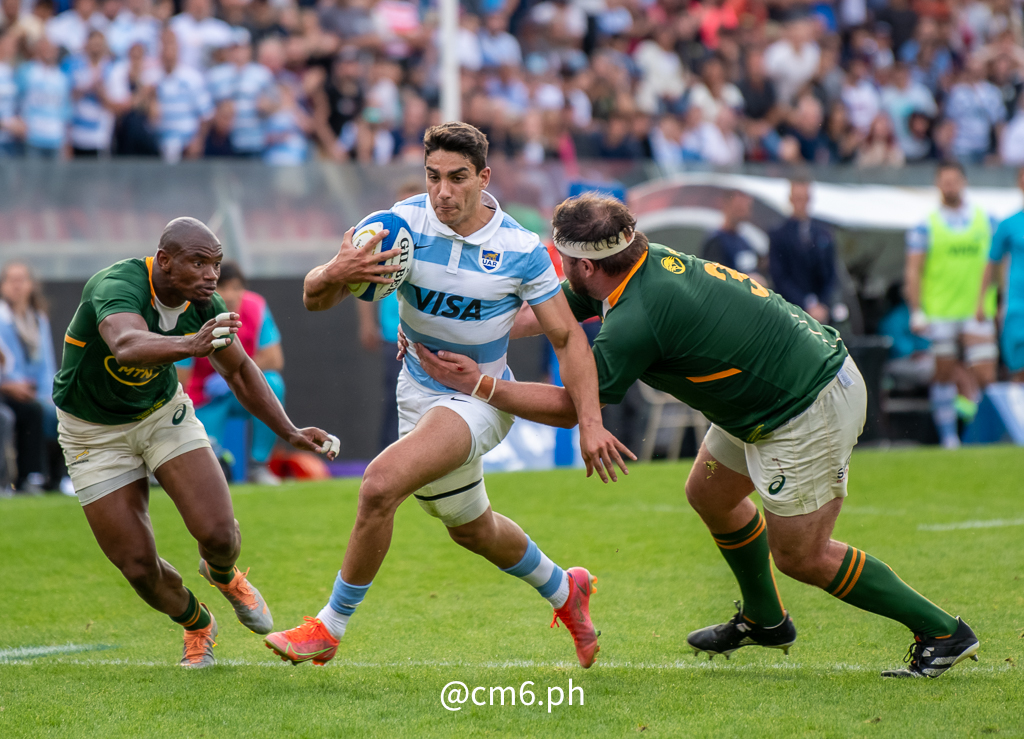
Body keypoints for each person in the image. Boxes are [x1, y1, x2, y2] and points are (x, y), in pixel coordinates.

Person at [414, 193, 980, 680]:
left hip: (806, 403)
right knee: (709, 494)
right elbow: (548, 313)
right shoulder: (629, 267)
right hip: (773, 392)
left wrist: (481, 383)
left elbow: (574, 407)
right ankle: (765, 621)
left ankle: (944, 631)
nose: (559, 270)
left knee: (802, 555)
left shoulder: (640, 313)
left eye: (561, 260)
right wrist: (454, 326)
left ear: (583, 264)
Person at [264, 122, 631, 670]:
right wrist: (335, 270)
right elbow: (315, 298)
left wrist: (590, 420)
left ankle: (329, 627)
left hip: (480, 399)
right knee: (472, 529)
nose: (443, 192)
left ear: (483, 178)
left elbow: (567, 338)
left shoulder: (521, 250)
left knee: (379, 486)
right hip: (415, 391)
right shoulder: (397, 225)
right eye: (433, 177)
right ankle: (565, 589)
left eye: (458, 179)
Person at [51, 217, 341, 668]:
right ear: (164, 261)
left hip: (163, 413)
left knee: (220, 534)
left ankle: (223, 574)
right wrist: (191, 343)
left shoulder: (204, 302)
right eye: (199, 262)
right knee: (138, 567)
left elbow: (241, 370)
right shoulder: (117, 284)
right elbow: (125, 344)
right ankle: (197, 623)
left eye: (216, 264)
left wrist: (290, 431)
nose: (211, 275)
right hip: (93, 433)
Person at [905, 162, 998, 448]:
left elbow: (998, 265)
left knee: (985, 375)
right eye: (944, 181)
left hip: (977, 309)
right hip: (940, 311)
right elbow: (913, 270)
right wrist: (916, 310)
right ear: (937, 184)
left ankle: (979, 434)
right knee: (944, 375)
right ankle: (949, 438)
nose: (950, 186)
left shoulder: (988, 221)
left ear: (964, 182)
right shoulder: (925, 225)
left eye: (954, 181)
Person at [178, 262, 285, 485]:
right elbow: (179, 380)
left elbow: (275, 358)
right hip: (204, 397)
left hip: (242, 389)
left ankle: (258, 466)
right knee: (205, 473)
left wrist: (232, 373)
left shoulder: (256, 307)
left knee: (273, 383)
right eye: (222, 288)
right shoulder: (190, 314)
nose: (230, 295)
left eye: (236, 287)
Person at [356, 179, 421, 453]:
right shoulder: (385, 239)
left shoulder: (428, 241)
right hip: (391, 333)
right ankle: (389, 452)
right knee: (397, 396)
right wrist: (367, 323)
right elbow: (361, 280)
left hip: (423, 332)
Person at [0, 261, 59, 493]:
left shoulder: (38, 319)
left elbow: (47, 364)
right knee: (32, 412)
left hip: (36, 391)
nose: (16, 286)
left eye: (21, 280)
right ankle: (30, 477)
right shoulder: (2, 319)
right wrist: (11, 385)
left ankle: (58, 478)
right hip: (9, 389)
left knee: (60, 412)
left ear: (31, 285)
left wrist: (50, 394)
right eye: (10, 280)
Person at [769, 180, 838, 326]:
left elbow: (831, 273)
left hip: (822, 312)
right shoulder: (779, 235)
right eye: (798, 198)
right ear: (791, 199)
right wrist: (806, 303)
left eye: (804, 198)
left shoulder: (823, 234)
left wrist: (823, 304)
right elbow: (779, 276)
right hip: (791, 311)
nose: (801, 203)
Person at [977, 166, 1024, 382]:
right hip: (1017, 308)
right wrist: (982, 302)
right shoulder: (1009, 224)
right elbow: (991, 262)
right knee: (1018, 372)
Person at [700, 189, 764, 282]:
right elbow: (716, 279)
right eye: (739, 207)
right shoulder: (716, 242)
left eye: (746, 207)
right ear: (726, 205)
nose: (744, 210)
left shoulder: (744, 241)